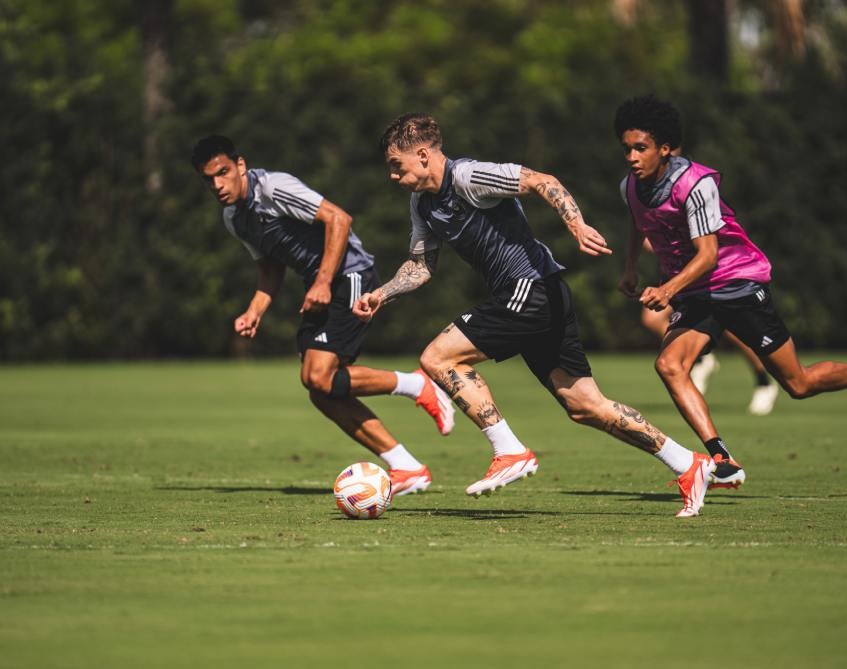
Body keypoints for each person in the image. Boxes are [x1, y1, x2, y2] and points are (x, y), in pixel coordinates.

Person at [353, 112, 716, 518]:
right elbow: (421, 266)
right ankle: (688, 463)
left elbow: (543, 181)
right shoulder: (422, 204)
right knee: (585, 405)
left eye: (395, 166)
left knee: (438, 357)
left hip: (532, 288)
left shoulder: (468, 177)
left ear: (422, 155)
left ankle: (508, 450)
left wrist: (576, 224)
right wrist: (381, 295)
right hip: (541, 293)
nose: (392, 176)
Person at [614, 95, 847, 490]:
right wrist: (632, 267)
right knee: (669, 365)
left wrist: (667, 288)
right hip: (696, 293)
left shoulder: (696, 184)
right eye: (627, 148)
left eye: (641, 148)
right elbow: (639, 222)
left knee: (798, 385)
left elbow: (708, 256)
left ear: (665, 148)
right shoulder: (630, 187)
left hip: (737, 282)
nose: (632, 157)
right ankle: (722, 459)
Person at [190, 134, 454, 497]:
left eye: (223, 173)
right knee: (322, 390)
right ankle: (407, 467)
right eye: (208, 179)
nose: (218, 185)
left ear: (239, 165)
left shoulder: (273, 188)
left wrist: (323, 282)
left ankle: (418, 385)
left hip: (351, 275)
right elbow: (269, 268)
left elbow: (339, 219)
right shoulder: (235, 218)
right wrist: (255, 311)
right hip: (323, 285)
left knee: (318, 376)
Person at [637, 240, 780, 415]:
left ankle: (763, 381)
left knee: (733, 331)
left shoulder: (700, 214)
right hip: (681, 274)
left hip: (714, 275)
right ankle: (702, 360)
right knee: (652, 318)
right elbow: (647, 241)